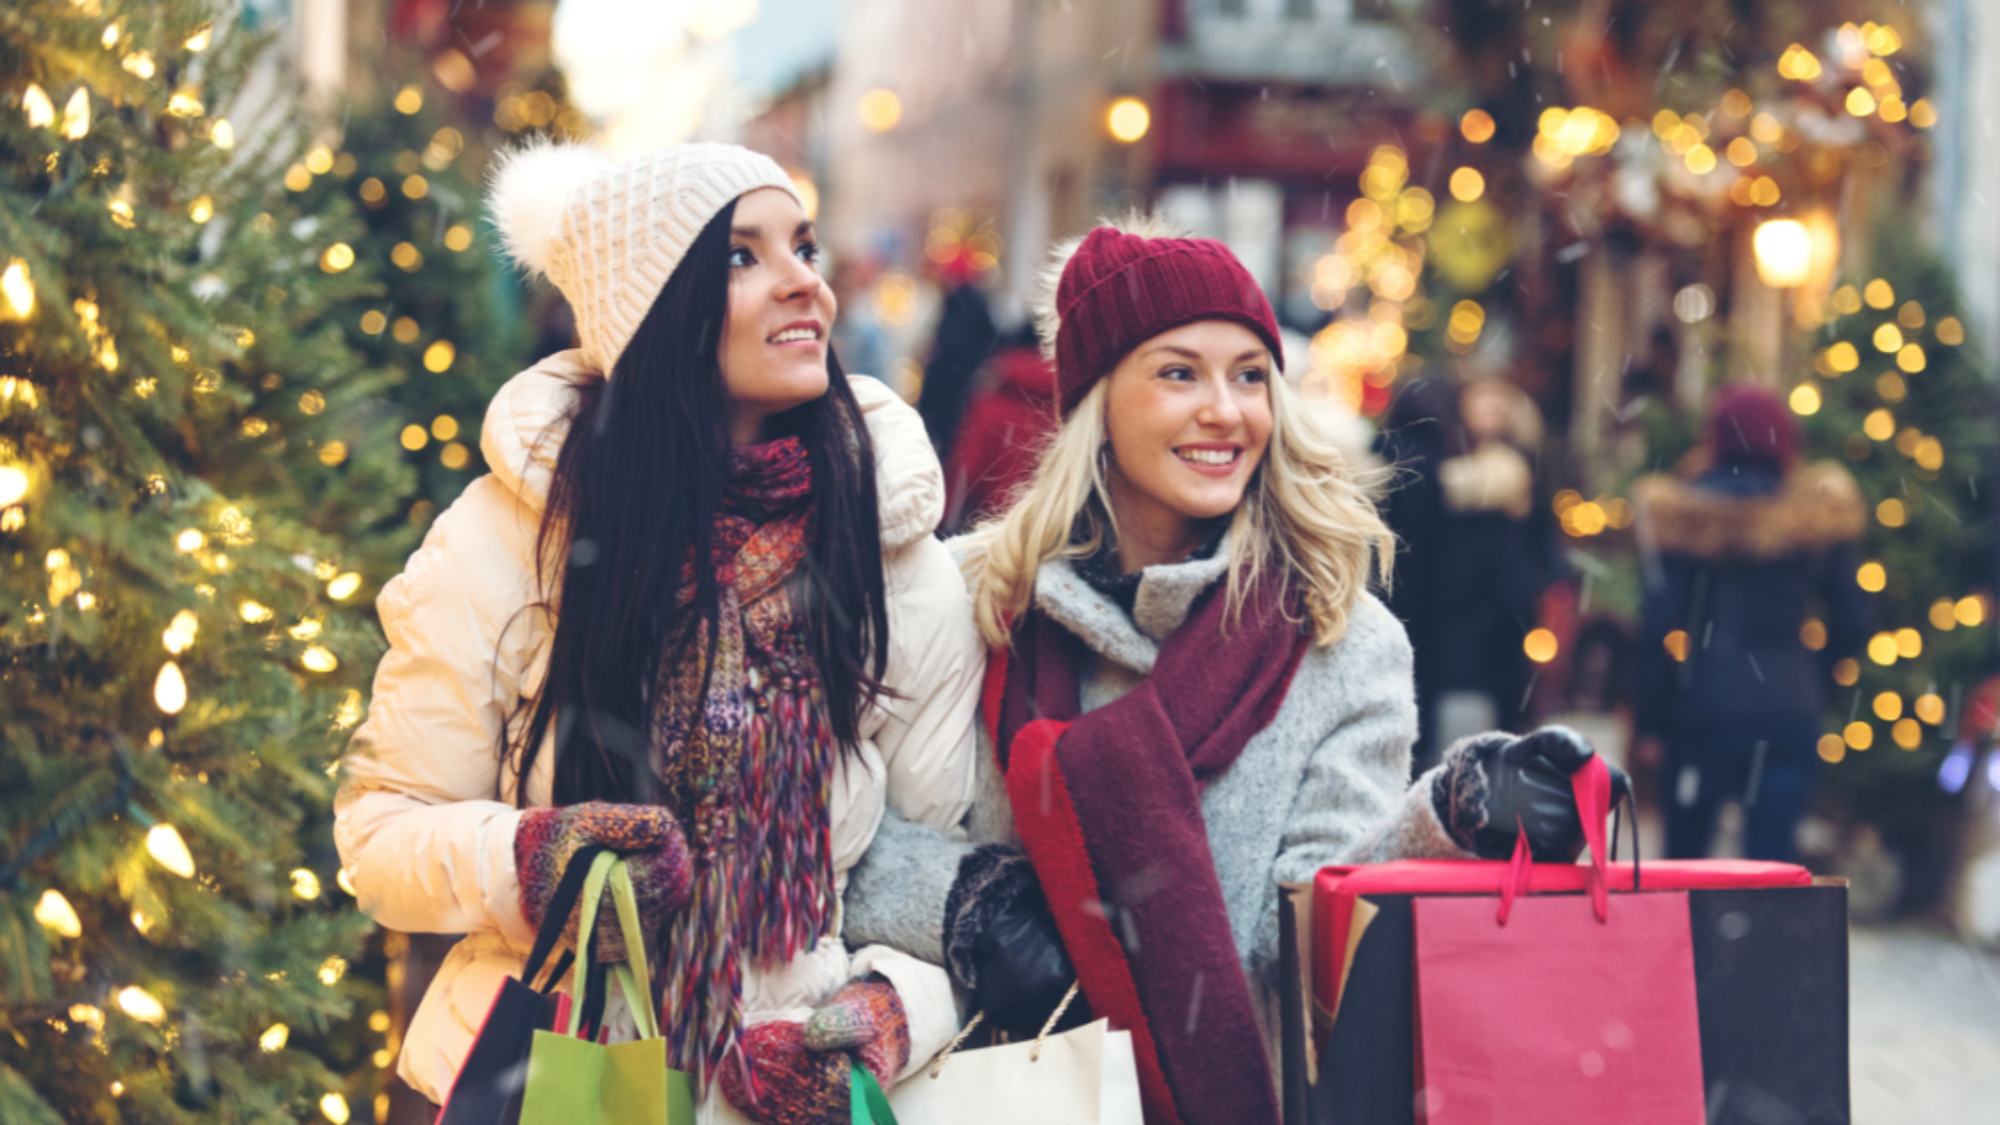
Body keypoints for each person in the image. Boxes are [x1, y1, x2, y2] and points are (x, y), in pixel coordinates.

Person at [842, 214, 1625, 1124]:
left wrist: (1448, 815)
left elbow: (1302, 952)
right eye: (1179, 372)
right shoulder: (979, 598)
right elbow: (845, 837)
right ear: (1097, 400)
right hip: (998, 1096)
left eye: (1250, 375)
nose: (1227, 410)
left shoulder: (1339, 638)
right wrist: (966, 903)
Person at [332, 142, 983, 1124]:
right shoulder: (506, 542)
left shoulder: (895, 565)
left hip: (775, 1102)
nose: (804, 282)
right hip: (553, 1087)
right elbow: (381, 835)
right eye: (741, 257)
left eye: (802, 247)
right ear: (651, 312)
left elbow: (938, 885)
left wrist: (880, 1017)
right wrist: (533, 863)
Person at [1634, 385, 1870, 863]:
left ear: (1715, 437)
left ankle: (1693, 940)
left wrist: (1651, 720)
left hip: (1703, 707)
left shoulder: (1684, 515)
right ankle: (1766, 941)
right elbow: (1856, 621)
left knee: (1686, 867)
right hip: (1789, 708)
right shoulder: (1816, 517)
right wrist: (1814, 677)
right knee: (1774, 867)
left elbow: (1657, 626)